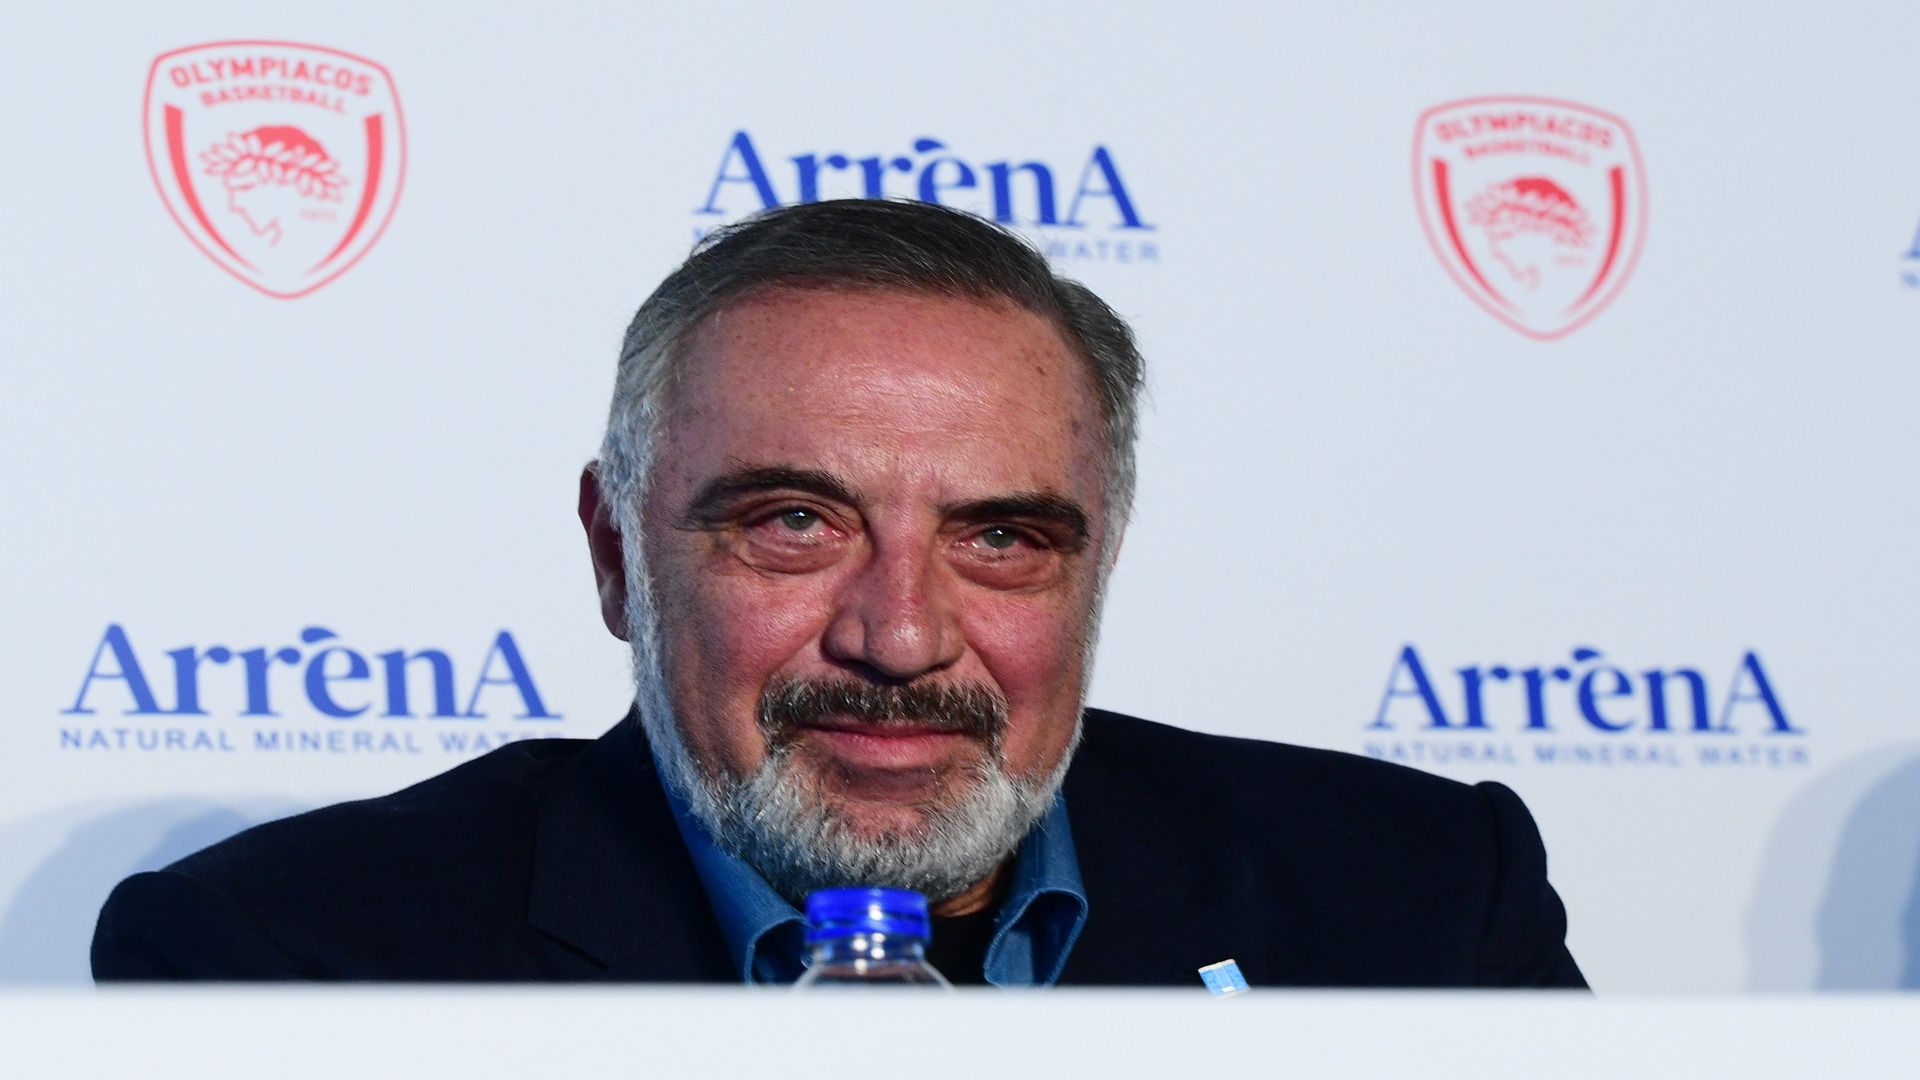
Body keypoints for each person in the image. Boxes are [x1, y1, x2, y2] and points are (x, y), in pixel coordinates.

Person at [91, 199, 1586, 987]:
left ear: (1099, 564)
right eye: (796, 524)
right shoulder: (299, 960)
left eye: (1003, 539)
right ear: (616, 555)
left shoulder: (1416, 898)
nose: (902, 637)